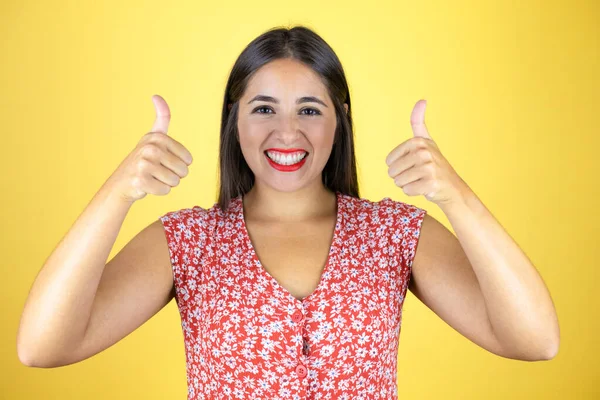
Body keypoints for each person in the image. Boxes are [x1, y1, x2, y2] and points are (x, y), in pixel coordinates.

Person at [17, 25, 560, 399]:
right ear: (234, 119)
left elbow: (535, 341)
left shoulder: (394, 233)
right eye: (263, 109)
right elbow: (42, 347)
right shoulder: (187, 242)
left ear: (340, 118)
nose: (287, 132)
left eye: (309, 108)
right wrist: (119, 192)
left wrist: (454, 195)